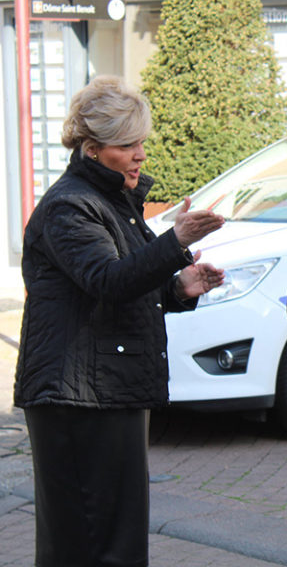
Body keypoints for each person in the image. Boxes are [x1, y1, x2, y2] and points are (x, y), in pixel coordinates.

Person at [14, 75, 226, 567]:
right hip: (77, 398)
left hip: (105, 389)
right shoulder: (70, 206)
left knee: (114, 541)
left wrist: (178, 288)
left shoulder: (112, 203)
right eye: (127, 145)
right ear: (92, 149)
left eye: (141, 143)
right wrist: (173, 244)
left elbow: (124, 285)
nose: (140, 155)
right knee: (91, 544)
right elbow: (107, 280)